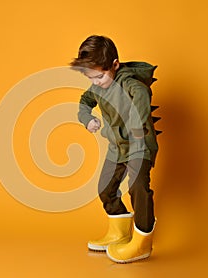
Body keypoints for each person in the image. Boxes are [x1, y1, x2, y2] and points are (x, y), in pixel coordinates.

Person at [70, 35, 159, 263]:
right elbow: (85, 99)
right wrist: (86, 117)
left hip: (138, 146)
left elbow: (140, 93)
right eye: (90, 77)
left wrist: (136, 126)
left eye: (100, 76)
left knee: (138, 187)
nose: (96, 82)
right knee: (106, 189)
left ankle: (142, 242)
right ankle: (120, 233)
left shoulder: (128, 82)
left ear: (115, 65)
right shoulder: (98, 86)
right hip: (117, 148)